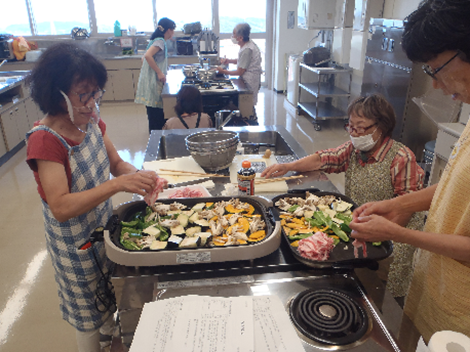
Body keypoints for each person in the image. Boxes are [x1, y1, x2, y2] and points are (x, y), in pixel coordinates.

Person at [25, 43, 164, 352]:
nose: (91, 103)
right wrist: (118, 186)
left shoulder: (91, 123)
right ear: (56, 93)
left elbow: (116, 164)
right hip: (74, 244)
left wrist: (138, 177)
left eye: (95, 93)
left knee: (107, 293)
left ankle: (107, 337)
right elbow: (60, 206)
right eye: (83, 94)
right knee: (86, 315)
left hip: (103, 228)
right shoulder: (46, 141)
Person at [348, 0, 470, 341]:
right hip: (438, 291)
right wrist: (401, 205)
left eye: (434, 69)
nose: (434, 84)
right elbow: (454, 189)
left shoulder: (398, 154)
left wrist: (401, 234)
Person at [261, 94, 425, 298]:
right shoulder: (355, 150)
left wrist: (383, 234)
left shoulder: (401, 158)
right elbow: (324, 159)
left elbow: (406, 206)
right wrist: (288, 166)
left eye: (360, 127)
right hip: (361, 226)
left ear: (380, 127)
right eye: (350, 126)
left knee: (383, 288)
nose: (354, 133)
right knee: (360, 280)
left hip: (393, 236)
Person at [135, 18, 176, 132]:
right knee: (156, 117)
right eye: (173, 30)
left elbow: (143, 58)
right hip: (153, 84)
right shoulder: (160, 41)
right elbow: (148, 56)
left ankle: (154, 138)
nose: (173, 33)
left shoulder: (155, 40)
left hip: (148, 83)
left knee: (152, 114)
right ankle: (156, 142)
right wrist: (159, 72)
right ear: (168, 30)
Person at [217, 23, 262, 118]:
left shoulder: (247, 49)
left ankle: (250, 121)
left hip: (249, 81)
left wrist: (223, 71)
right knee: (249, 105)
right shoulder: (248, 45)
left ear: (240, 38)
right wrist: (229, 61)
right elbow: (243, 61)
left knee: (248, 106)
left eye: (234, 35)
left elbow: (239, 71)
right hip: (248, 78)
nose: (232, 37)